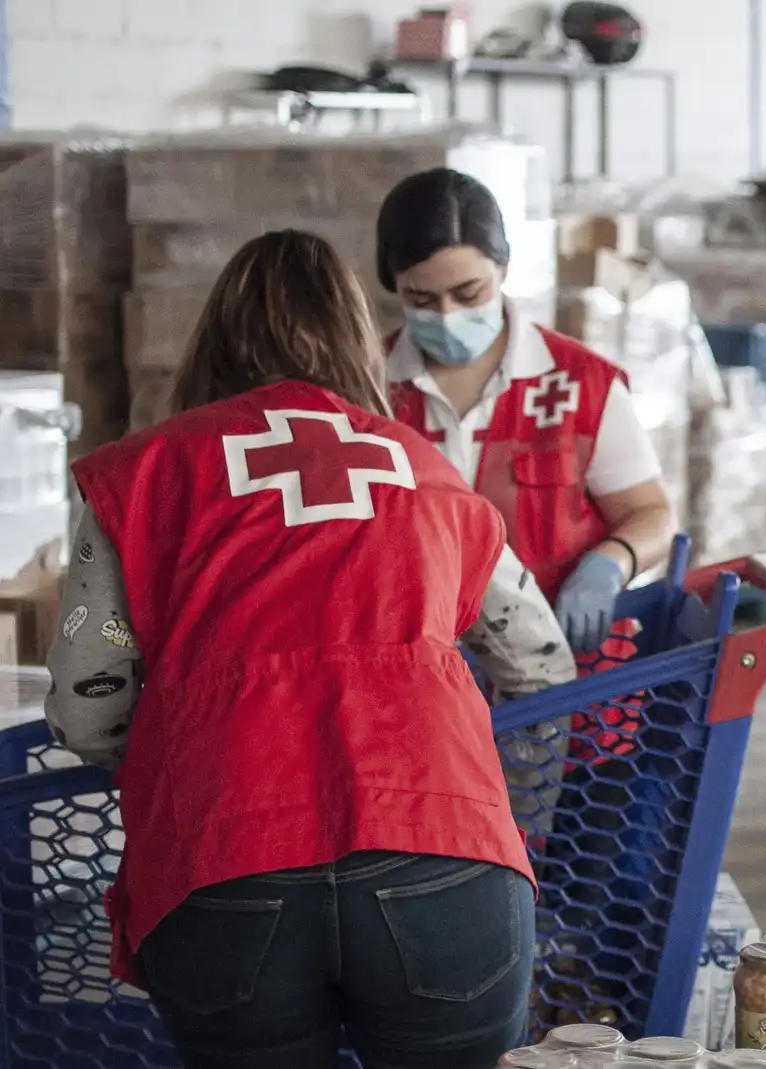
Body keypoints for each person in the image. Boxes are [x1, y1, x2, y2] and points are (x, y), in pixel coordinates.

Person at [44, 230, 576, 1068]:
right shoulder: (429, 474)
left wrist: (173, 756)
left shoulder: (137, 478)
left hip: (223, 864)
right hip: (444, 852)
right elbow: (541, 663)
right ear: (359, 337)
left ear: (211, 339)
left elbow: (87, 701)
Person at [377, 168, 677, 655]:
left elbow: (652, 514)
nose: (449, 315)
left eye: (469, 293)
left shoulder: (580, 386)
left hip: (565, 670)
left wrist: (611, 563)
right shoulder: (369, 391)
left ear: (504, 269)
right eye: (422, 299)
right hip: (422, 674)